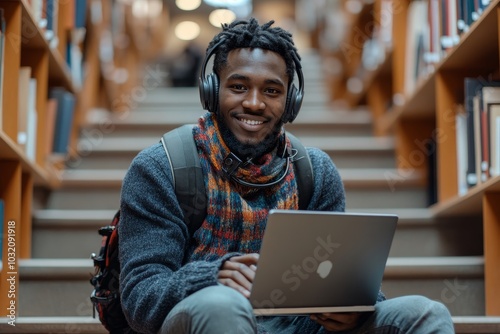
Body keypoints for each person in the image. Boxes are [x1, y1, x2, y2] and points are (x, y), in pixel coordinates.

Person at [118, 18, 455, 334]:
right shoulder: (162, 167)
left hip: (298, 324)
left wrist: (356, 311)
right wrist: (210, 277)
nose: (254, 103)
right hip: (204, 317)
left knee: (426, 313)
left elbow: (335, 275)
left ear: (291, 101)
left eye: (272, 91)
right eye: (238, 86)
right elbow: (139, 299)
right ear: (211, 91)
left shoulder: (315, 172)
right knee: (223, 305)